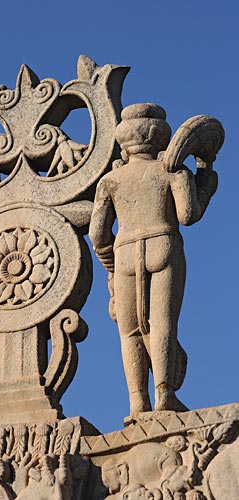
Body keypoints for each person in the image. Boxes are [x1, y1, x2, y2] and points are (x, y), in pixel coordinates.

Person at [89, 103, 218, 416]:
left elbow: (97, 235)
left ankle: (137, 403)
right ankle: (164, 395)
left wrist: (110, 265)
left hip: (124, 254)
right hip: (163, 243)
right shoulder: (172, 171)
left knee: (130, 329)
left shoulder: (111, 180)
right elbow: (188, 215)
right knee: (162, 324)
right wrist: (206, 184)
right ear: (161, 138)